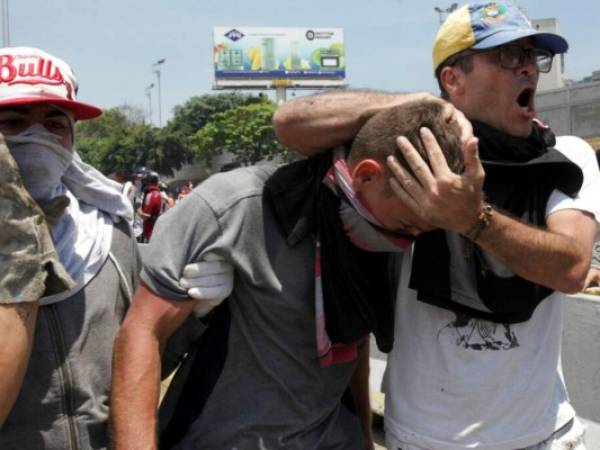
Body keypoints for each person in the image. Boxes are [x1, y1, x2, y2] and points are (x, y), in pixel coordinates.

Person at [272, 2, 600, 449]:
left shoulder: (563, 159)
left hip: (546, 436)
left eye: (533, 56)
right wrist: (418, 104)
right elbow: (290, 123)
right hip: (425, 438)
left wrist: (473, 220)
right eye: (508, 56)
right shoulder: (410, 156)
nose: (529, 70)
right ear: (453, 79)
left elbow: (572, 268)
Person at [110, 100, 471, 450]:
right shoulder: (234, 209)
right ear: (366, 175)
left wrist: (362, 434)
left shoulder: (377, 233)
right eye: (407, 225)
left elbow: (353, 336)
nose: (408, 243)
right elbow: (143, 333)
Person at [0, 47, 141, 450]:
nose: (39, 137)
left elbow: (141, 353)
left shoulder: (109, 236)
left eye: (54, 123)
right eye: (14, 122)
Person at [137, 171, 163, 242]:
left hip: (149, 234)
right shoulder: (156, 194)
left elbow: (145, 216)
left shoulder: (152, 195)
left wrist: (137, 208)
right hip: (153, 231)